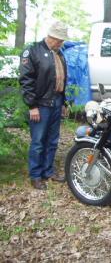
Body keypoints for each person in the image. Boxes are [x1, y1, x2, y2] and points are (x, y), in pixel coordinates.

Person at [19, 21, 69, 190]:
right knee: (38, 141)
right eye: (60, 40)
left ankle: (48, 171)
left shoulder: (59, 53)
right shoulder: (33, 51)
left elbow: (62, 79)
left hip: (56, 101)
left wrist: (64, 102)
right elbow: (26, 80)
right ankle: (35, 175)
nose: (61, 43)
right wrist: (32, 105)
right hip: (40, 104)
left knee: (53, 140)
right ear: (52, 37)